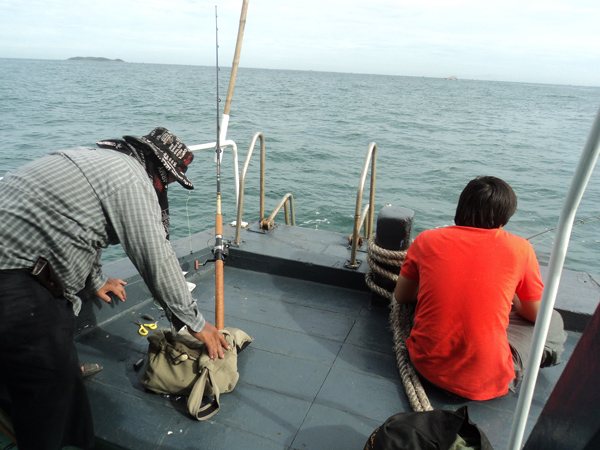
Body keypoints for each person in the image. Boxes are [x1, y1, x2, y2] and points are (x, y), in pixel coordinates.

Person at [0, 127, 230, 450]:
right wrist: (196, 325)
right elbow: (156, 259)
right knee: (51, 390)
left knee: (56, 352)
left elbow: (81, 228)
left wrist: (95, 280)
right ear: (157, 171)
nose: (166, 191)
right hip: (11, 273)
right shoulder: (132, 180)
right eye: (169, 183)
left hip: (17, 258)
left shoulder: (104, 165)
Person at [394, 176, 567, 401]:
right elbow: (536, 315)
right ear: (505, 217)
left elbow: (402, 295)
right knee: (552, 319)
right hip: (485, 383)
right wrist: (513, 298)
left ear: (461, 206)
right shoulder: (521, 249)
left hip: (425, 367)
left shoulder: (426, 239)